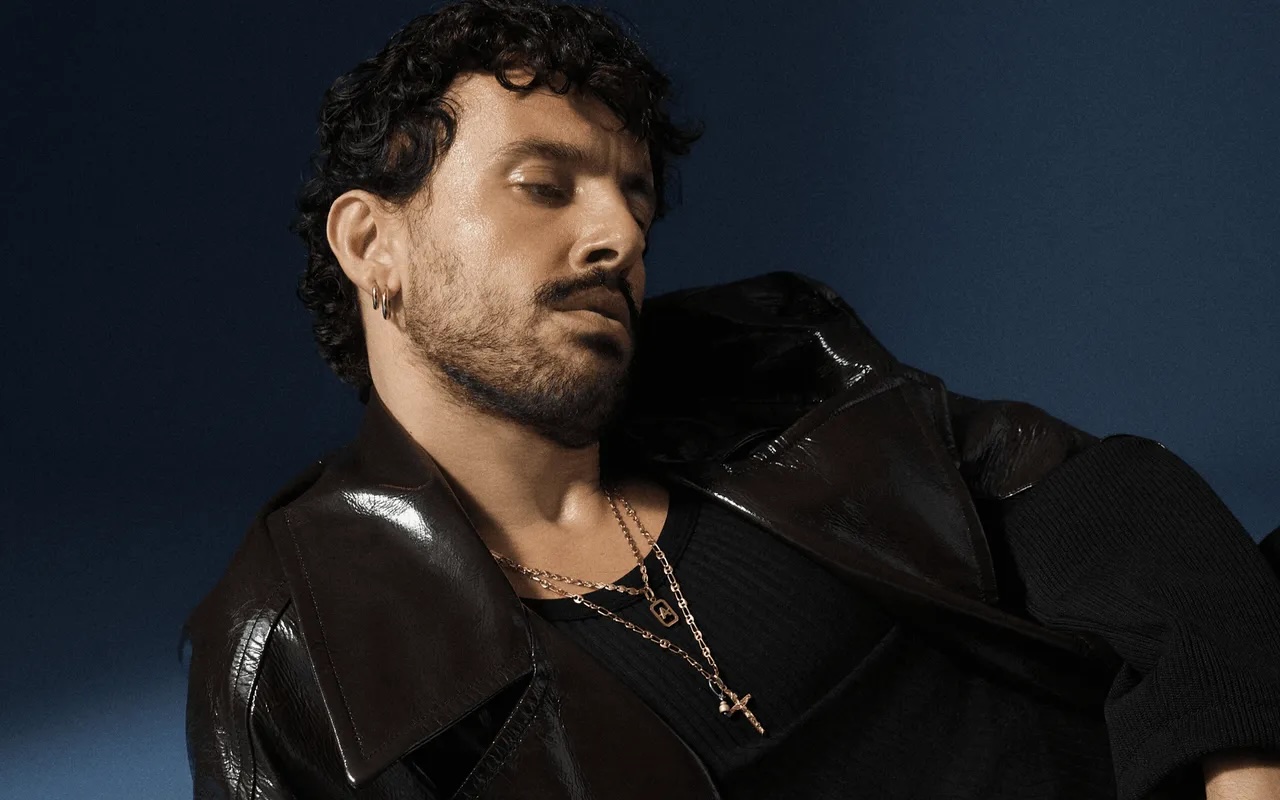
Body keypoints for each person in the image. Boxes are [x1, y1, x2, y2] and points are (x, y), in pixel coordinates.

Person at [182, 1, 1280, 797]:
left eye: (634, 197)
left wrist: (1241, 761)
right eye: (543, 186)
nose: (618, 235)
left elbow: (1104, 501)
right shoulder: (297, 650)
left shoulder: (777, 369)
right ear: (372, 244)